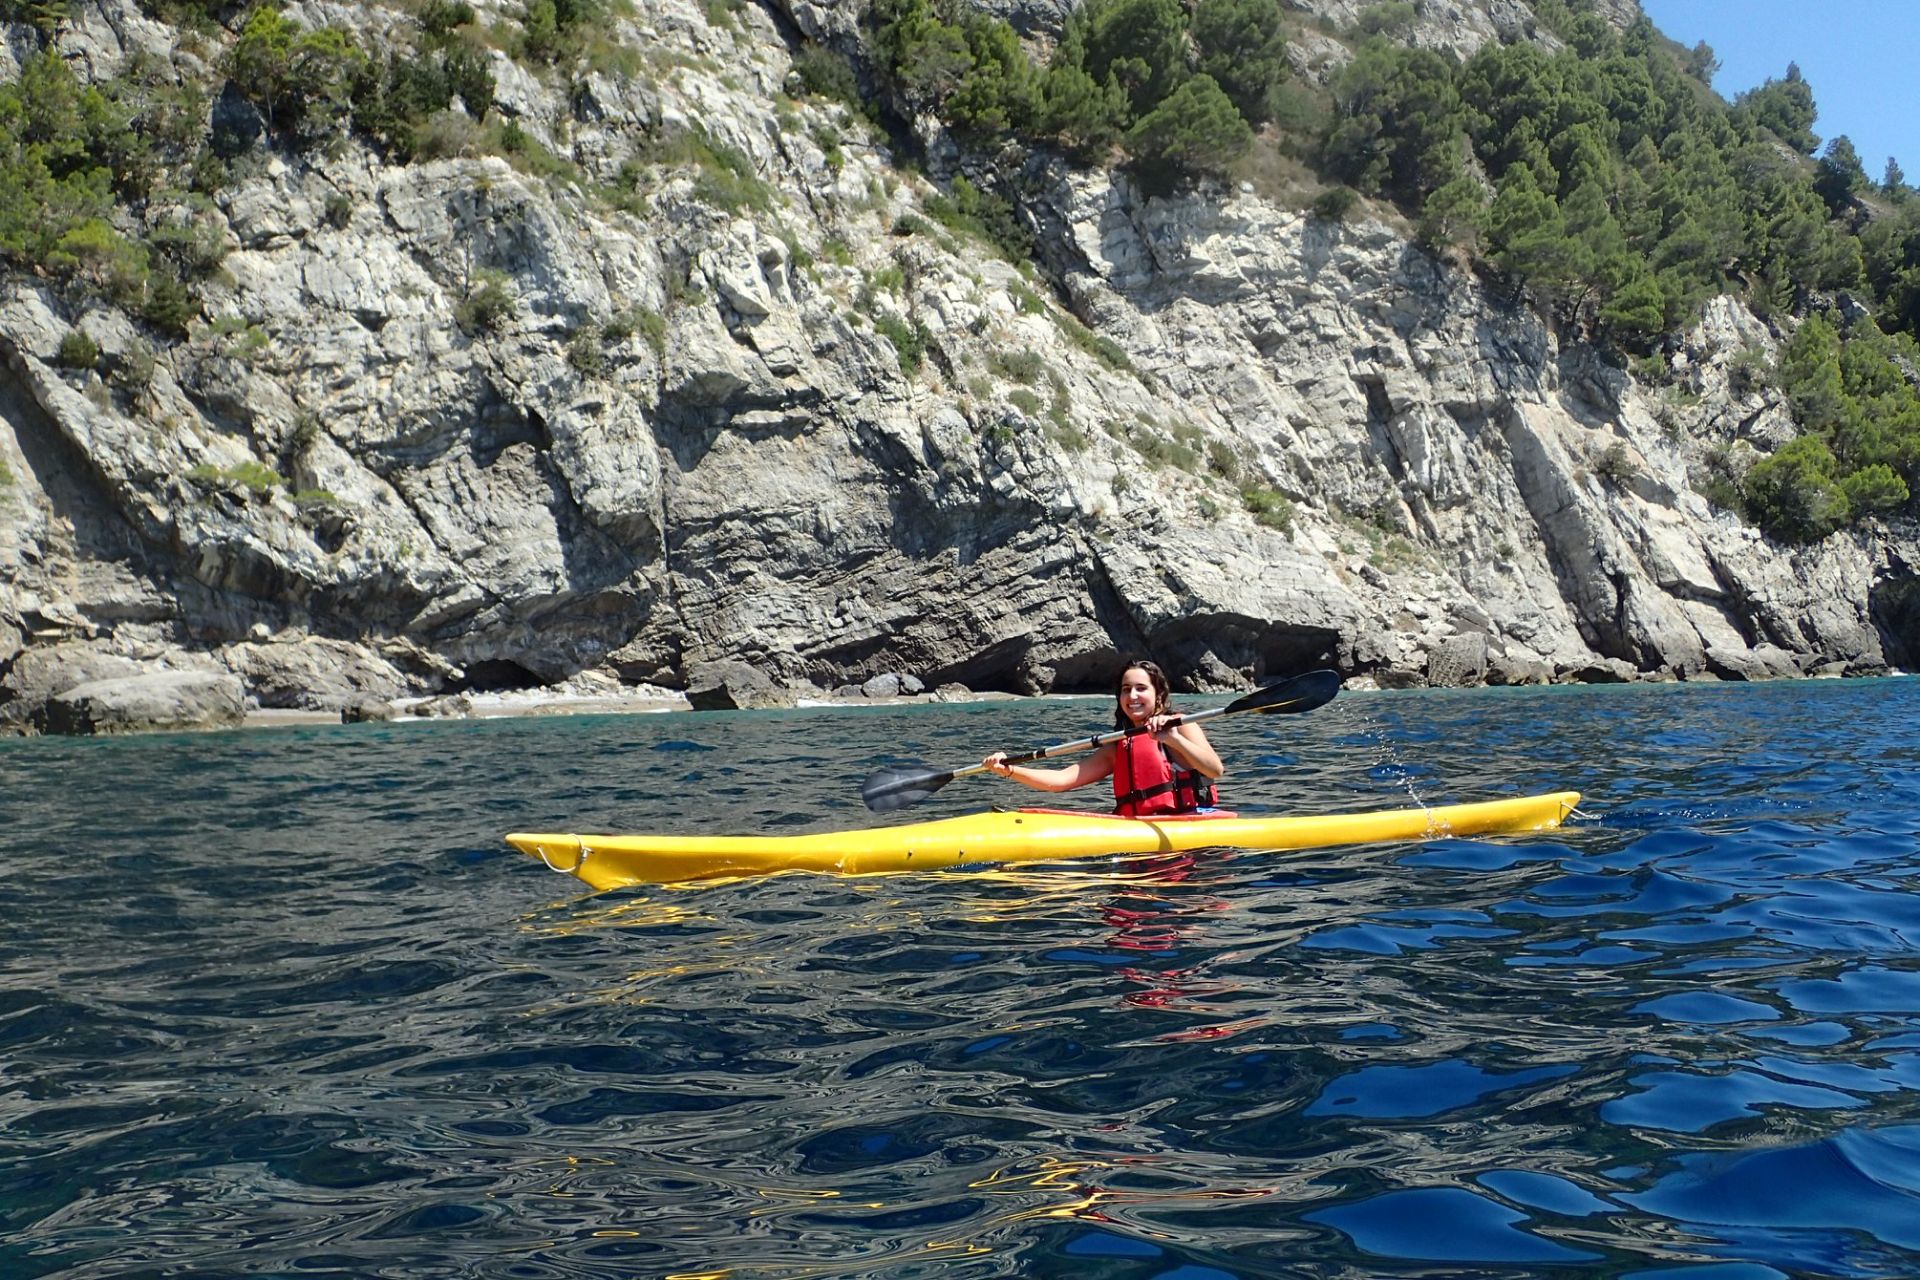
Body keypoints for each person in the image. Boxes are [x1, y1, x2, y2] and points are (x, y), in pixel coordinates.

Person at [983, 659, 1225, 815]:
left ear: (1158, 694)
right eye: (1126, 689)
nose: (1132, 696)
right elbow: (1060, 780)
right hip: (1136, 833)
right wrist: (1010, 770)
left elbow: (1215, 770)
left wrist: (1173, 739)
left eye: (1141, 688)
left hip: (1189, 830)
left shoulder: (1181, 726)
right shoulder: (1119, 746)